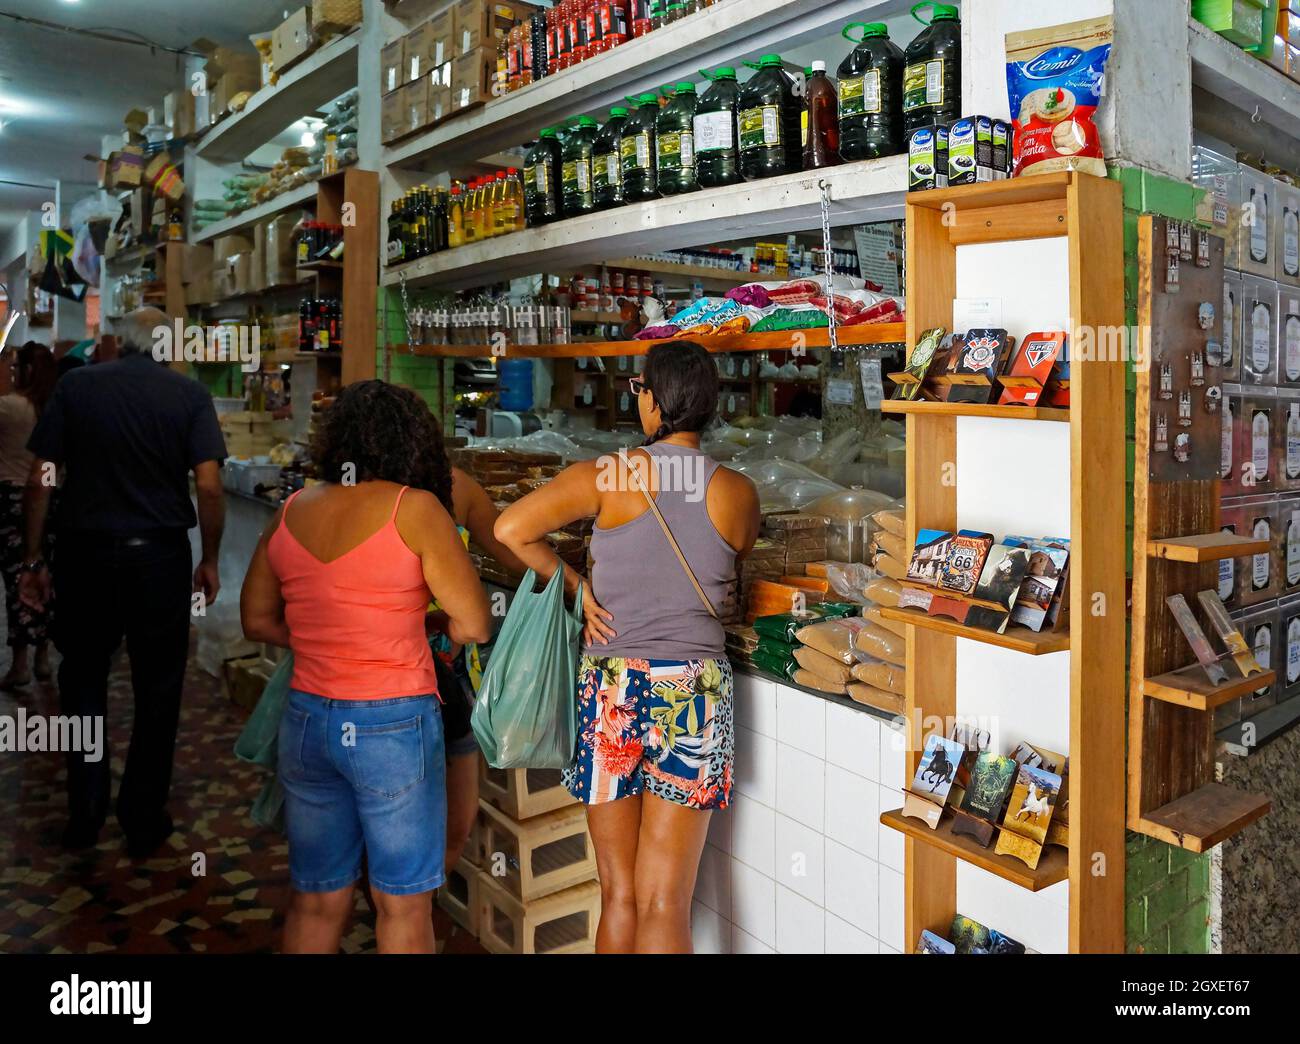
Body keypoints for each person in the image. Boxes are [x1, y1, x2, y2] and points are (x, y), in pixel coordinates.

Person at [496, 342, 760, 953]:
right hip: (695, 688)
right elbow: (732, 571)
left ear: (651, 398)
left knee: (617, 893)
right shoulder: (738, 492)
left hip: (613, 684)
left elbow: (512, 529)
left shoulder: (606, 476)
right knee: (666, 899)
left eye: (637, 389)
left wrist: (578, 586)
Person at [240, 380, 491, 955]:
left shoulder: (292, 510)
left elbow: (256, 619)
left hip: (306, 722)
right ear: (412, 440)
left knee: (317, 897)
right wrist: (412, 630)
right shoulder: (416, 508)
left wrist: (327, 640)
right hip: (393, 724)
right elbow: (473, 624)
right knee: (402, 906)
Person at [20, 308, 227, 857]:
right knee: (158, 687)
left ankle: (85, 810)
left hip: (83, 558)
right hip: (159, 559)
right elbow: (208, 486)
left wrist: (34, 558)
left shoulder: (78, 386)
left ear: (118, 341)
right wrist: (210, 558)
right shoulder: (188, 397)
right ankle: (141, 814)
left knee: (83, 679)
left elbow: (41, 479)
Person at [433, 465, 529, 873]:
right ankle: (400, 912)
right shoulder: (361, 497)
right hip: (390, 676)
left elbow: (511, 549)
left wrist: (571, 584)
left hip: (453, 674)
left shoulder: (455, 486)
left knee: (456, 818)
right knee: (407, 826)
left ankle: (415, 908)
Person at [0, 343, 56, 689]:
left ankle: (20, 663)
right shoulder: (55, 407)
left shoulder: (8, 408)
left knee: (18, 579)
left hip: (12, 500)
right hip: (54, 500)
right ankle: (43, 657)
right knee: (47, 577)